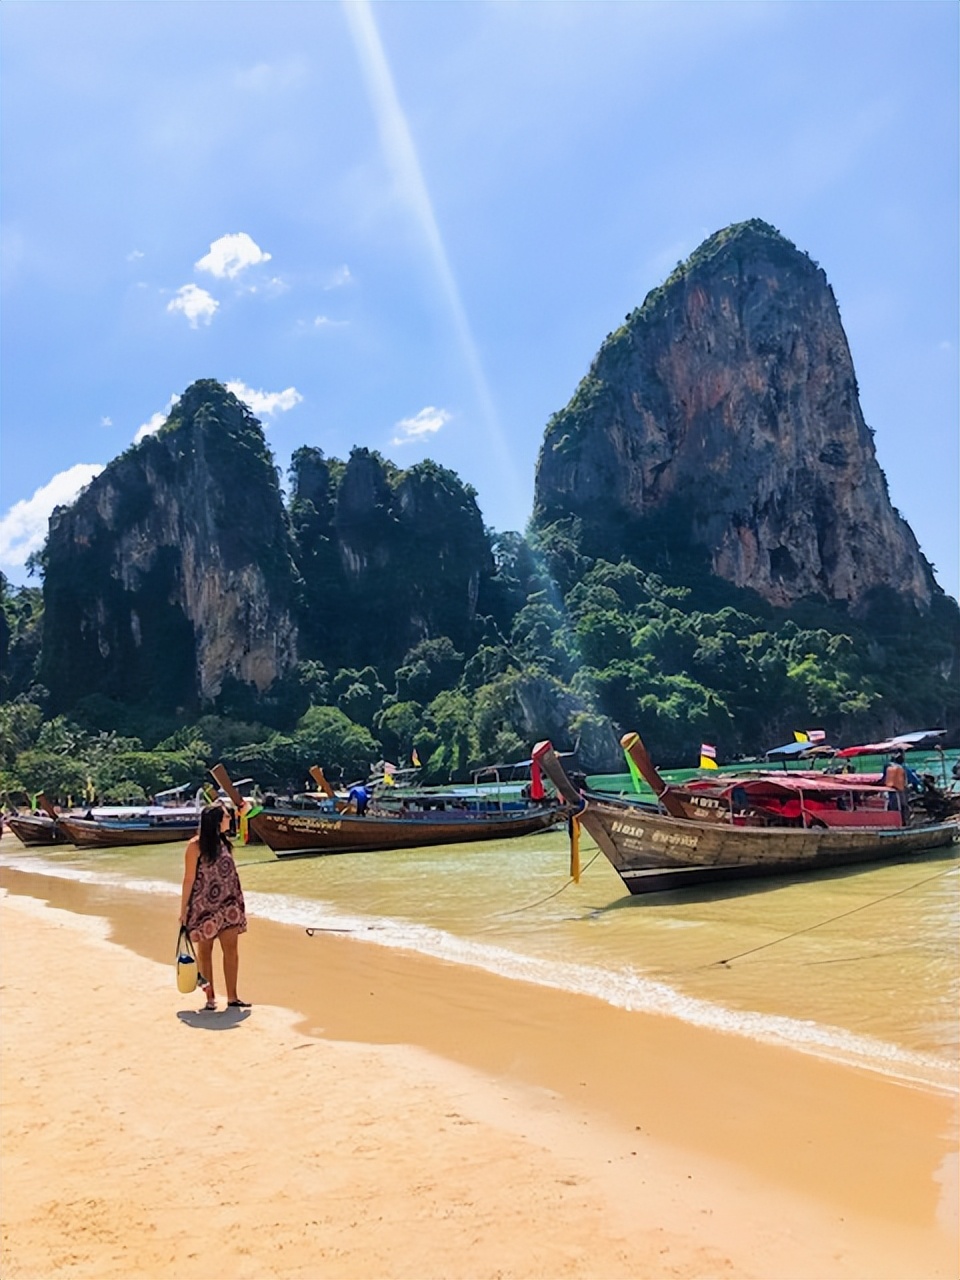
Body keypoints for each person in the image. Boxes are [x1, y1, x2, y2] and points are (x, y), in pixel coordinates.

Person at [179, 803, 249, 1012]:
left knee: (231, 951)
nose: (230, 820)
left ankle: (233, 997)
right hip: (203, 906)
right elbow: (189, 879)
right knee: (205, 952)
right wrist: (183, 910)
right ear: (217, 821)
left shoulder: (225, 843)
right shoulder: (195, 846)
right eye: (227, 817)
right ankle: (210, 998)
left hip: (229, 904)